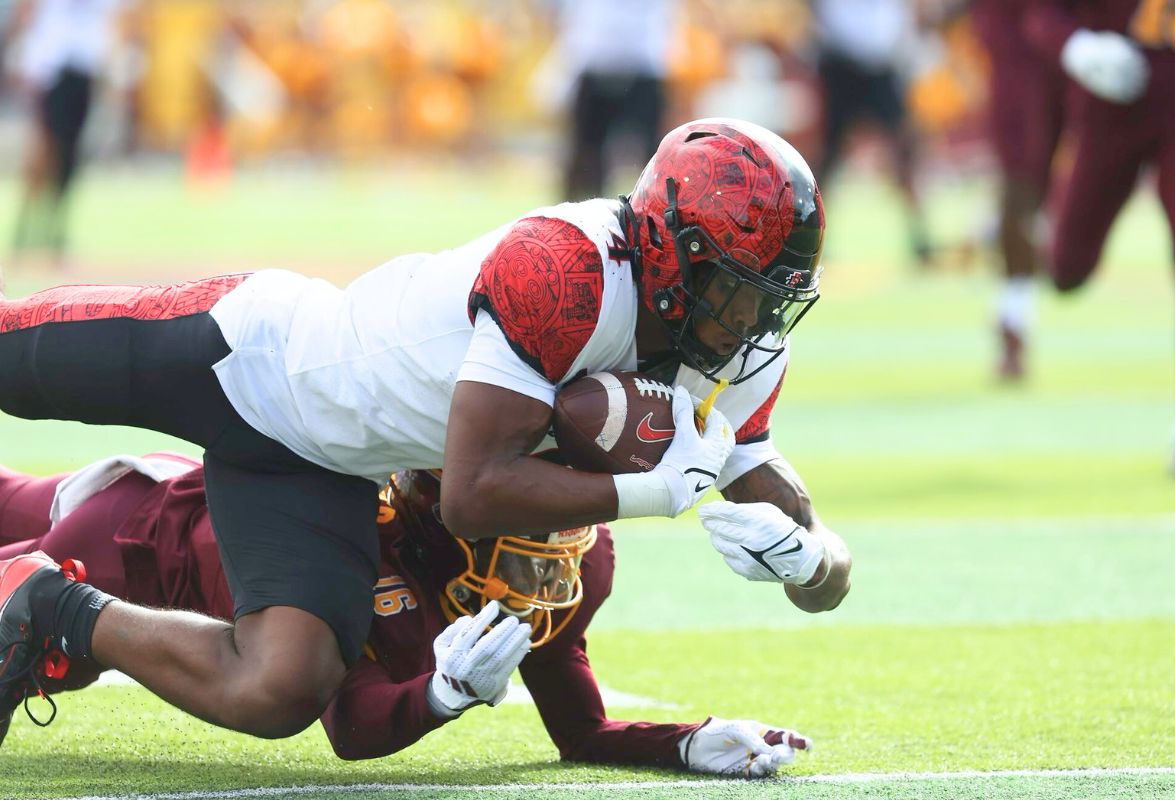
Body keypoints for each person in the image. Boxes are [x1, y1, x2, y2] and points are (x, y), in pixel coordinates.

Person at [0, 117, 853, 742]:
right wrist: (657, 493)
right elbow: (473, 496)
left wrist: (813, 559)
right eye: (741, 289)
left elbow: (804, 535)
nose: (756, 320)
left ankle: (45, 602)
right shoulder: (566, 269)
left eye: (774, 296)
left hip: (322, 470)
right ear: (675, 251)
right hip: (248, 357)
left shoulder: (737, 347)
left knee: (281, 689)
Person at [0, 455, 813, 777]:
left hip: (157, 494)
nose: (548, 571)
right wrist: (439, 696)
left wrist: (683, 743)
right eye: (525, 544)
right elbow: (348, 720)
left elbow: (578, 726)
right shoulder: (366, 551)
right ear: (440, 520)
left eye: (559, 540)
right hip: (131, 552)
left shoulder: (578, 559)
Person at [1021, 1, 1175, 472]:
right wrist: (1076, 46)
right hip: (1113, 104)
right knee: (1066, 270)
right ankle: (1037, 235)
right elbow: (1040, 14)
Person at [968, 0, 1069, 380]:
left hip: (1079, 51)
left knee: (1039, 197)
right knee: (1021, 187)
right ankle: (1014, 315)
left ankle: (1015, 306)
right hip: (1022, 61)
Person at [808, 0, 934, 264]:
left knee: (904, 153)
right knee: (828, 159)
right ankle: (810, 237)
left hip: (881, 62)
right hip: (841, 61)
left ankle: (921, 235)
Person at [4, 0, 126, 272]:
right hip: (51, 68)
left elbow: (113, 20)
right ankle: (25, 230)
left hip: (84, 68)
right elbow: (27, 10)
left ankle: (54, 231)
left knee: (69, 157)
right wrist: (24, 58)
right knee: (44, 152)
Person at [546, 0, 675, 201]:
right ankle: (573, 221)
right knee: (585, 157)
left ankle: (661, 213)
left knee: (655, 158)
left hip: (643, 62)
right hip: (594, 58)